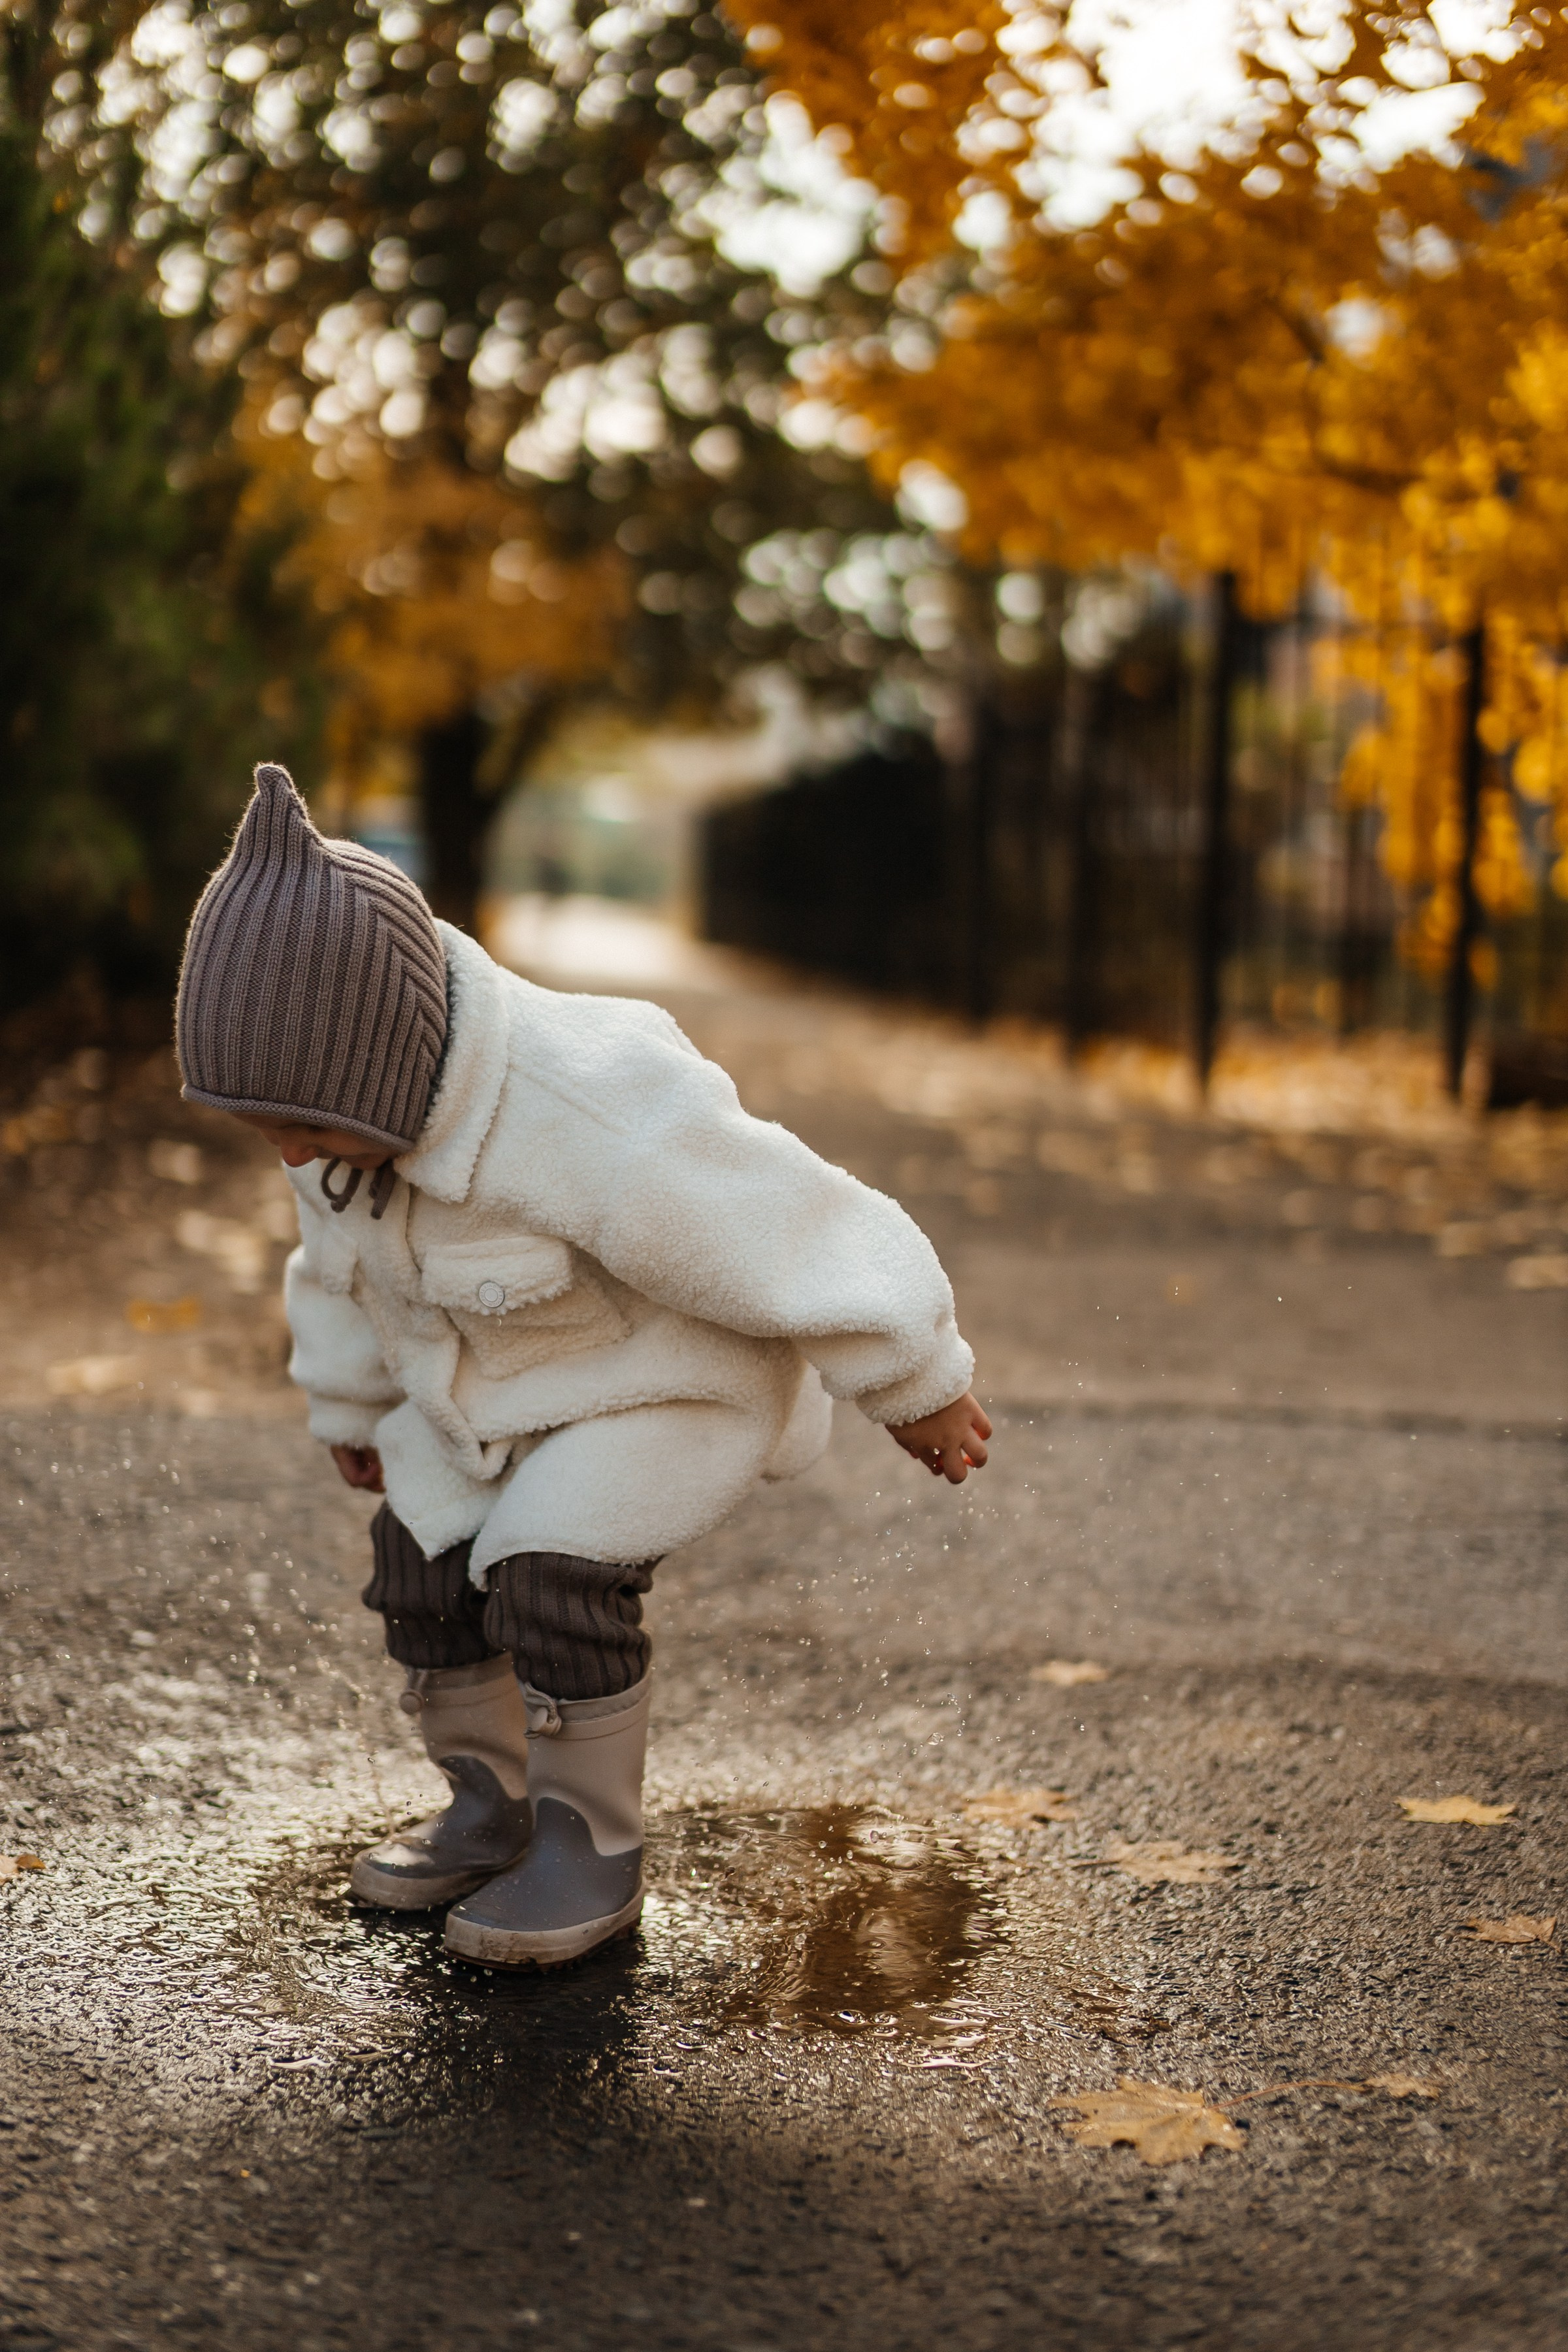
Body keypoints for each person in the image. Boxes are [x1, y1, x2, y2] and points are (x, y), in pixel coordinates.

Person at [175, 764, 991, 1969]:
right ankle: (489, 1805)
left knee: (549, 1573)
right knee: (422, 1558)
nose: (291, 1152)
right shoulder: (340, 1133)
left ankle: (586, 1843)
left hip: (671, 1382)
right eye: (266, 1131)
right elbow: (338, 1265)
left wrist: (914, 1377)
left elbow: (784, 1218)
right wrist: (352, 1400)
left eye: (306, 1127)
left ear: (391, 1064)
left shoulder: (589, 1105)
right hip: (502, 1389)